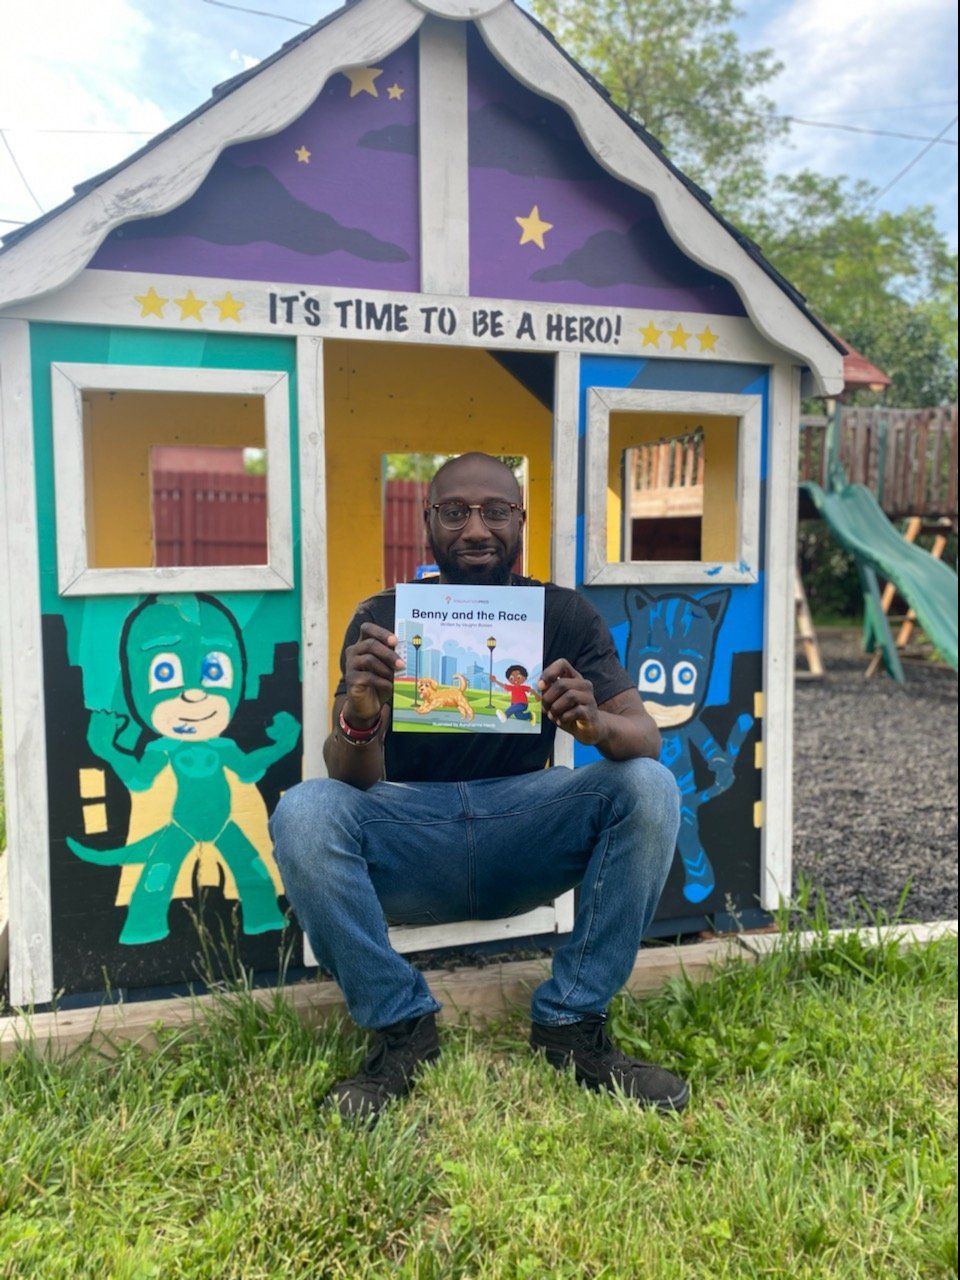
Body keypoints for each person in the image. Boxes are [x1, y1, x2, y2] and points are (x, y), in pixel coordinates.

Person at [270, 452, 686, 1120]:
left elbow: (646, 738)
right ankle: (402, 1031)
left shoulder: (565, 615)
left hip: (525, 829)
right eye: (455, 511)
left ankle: (572, 1027)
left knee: (649, 784)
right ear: (427, 520)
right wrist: (360, 711)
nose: (475, 528)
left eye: (494, 511)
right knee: (305, 810)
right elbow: (352, 778)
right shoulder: (382, 616)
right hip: (411, 837)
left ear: (520, 520)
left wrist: (594, 719)